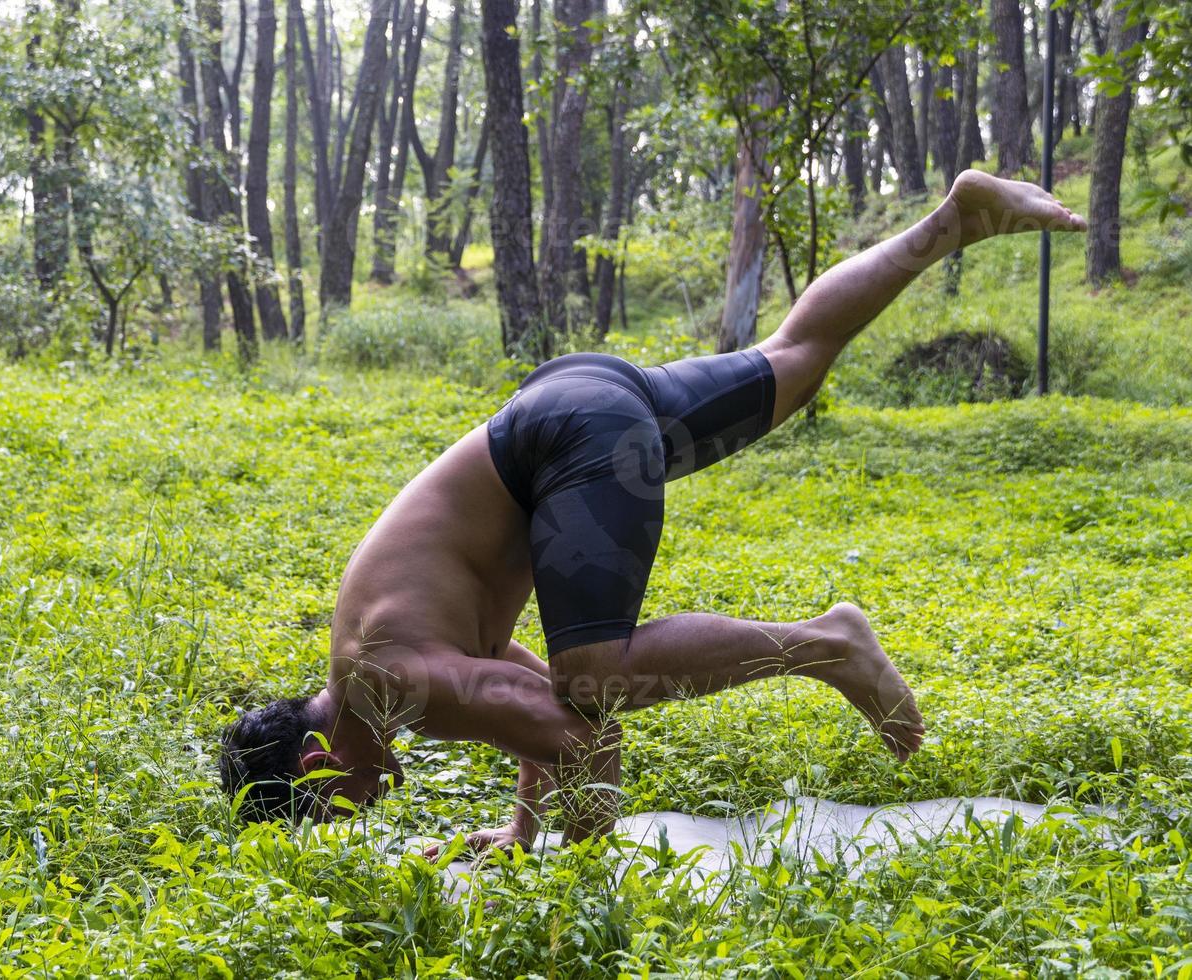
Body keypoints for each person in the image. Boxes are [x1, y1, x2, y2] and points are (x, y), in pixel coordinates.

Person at [219, 170, 1088, 853]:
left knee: (597, 671)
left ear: (313, 764)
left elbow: (578, 733)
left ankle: (829, 643)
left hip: (569, 438)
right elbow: (522, 691)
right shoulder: (381, 658)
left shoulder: (391, 684)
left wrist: (582, 880)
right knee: (795, 353)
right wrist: (523, 830)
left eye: (332, 813)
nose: (360, 811)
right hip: (577, 402)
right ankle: (954, 221)